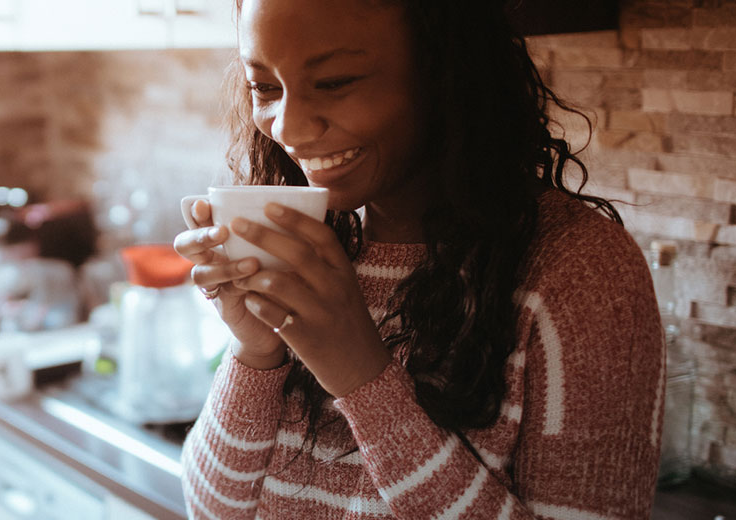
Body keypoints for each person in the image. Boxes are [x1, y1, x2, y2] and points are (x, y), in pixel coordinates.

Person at [174, 0, 665, 518]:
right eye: (265, 88)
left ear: (448, 72)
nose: (288, 129)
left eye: (336, 81)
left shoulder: (580, 272)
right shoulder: (312, 249)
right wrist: (255, 351)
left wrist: (361, 375)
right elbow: (213, 510)